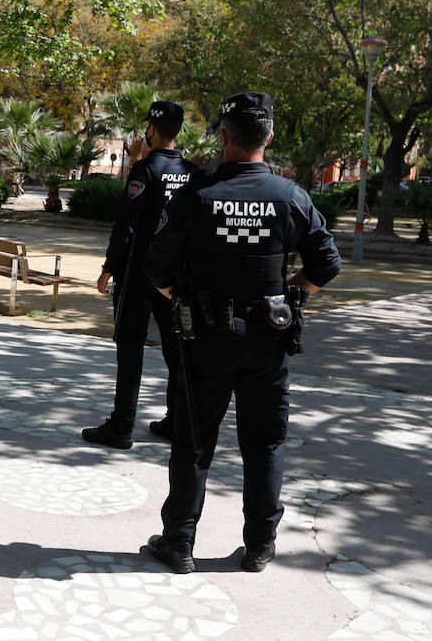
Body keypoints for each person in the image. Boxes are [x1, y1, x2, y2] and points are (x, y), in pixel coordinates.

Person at [142, 92, 341, 574]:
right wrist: (294, 294)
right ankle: (259, 546)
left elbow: (158, 268)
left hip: (204, 341)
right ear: (268, 138)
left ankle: (179, 544)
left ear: (224, 137)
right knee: (265, 444)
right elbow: (326, 263)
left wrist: (184, 300)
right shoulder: (290, 196)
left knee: (193, 444)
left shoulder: (196, 197)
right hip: (267, 341)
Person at [83, 101, 202, 450]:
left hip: (139, 277)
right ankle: (176, 421)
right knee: (176, 349)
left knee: (130, 350)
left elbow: (127, 226)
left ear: (151, 128)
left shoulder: (143, 169)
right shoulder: (193, 173)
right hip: (175, 279)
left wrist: (110, 267)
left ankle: (121, 426)